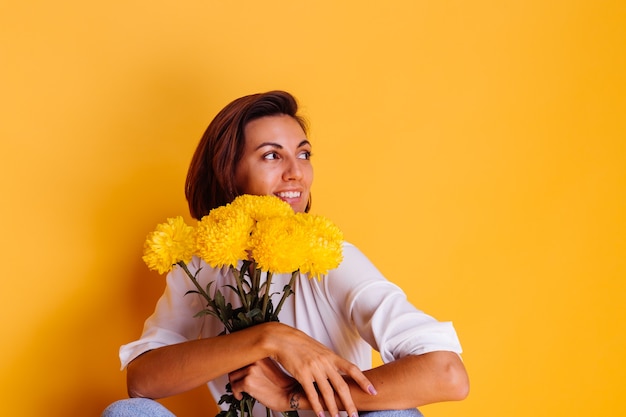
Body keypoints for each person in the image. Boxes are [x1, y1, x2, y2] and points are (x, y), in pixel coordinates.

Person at [102, 91, 469, 417]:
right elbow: (143, 382)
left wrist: (292, 396)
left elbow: (447, 374)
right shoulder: (200, 268)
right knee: (129, 413)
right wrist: (270, 337)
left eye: (304, 154)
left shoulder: (328, 257)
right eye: (272, 156)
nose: (296, 173)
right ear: (228, 173)